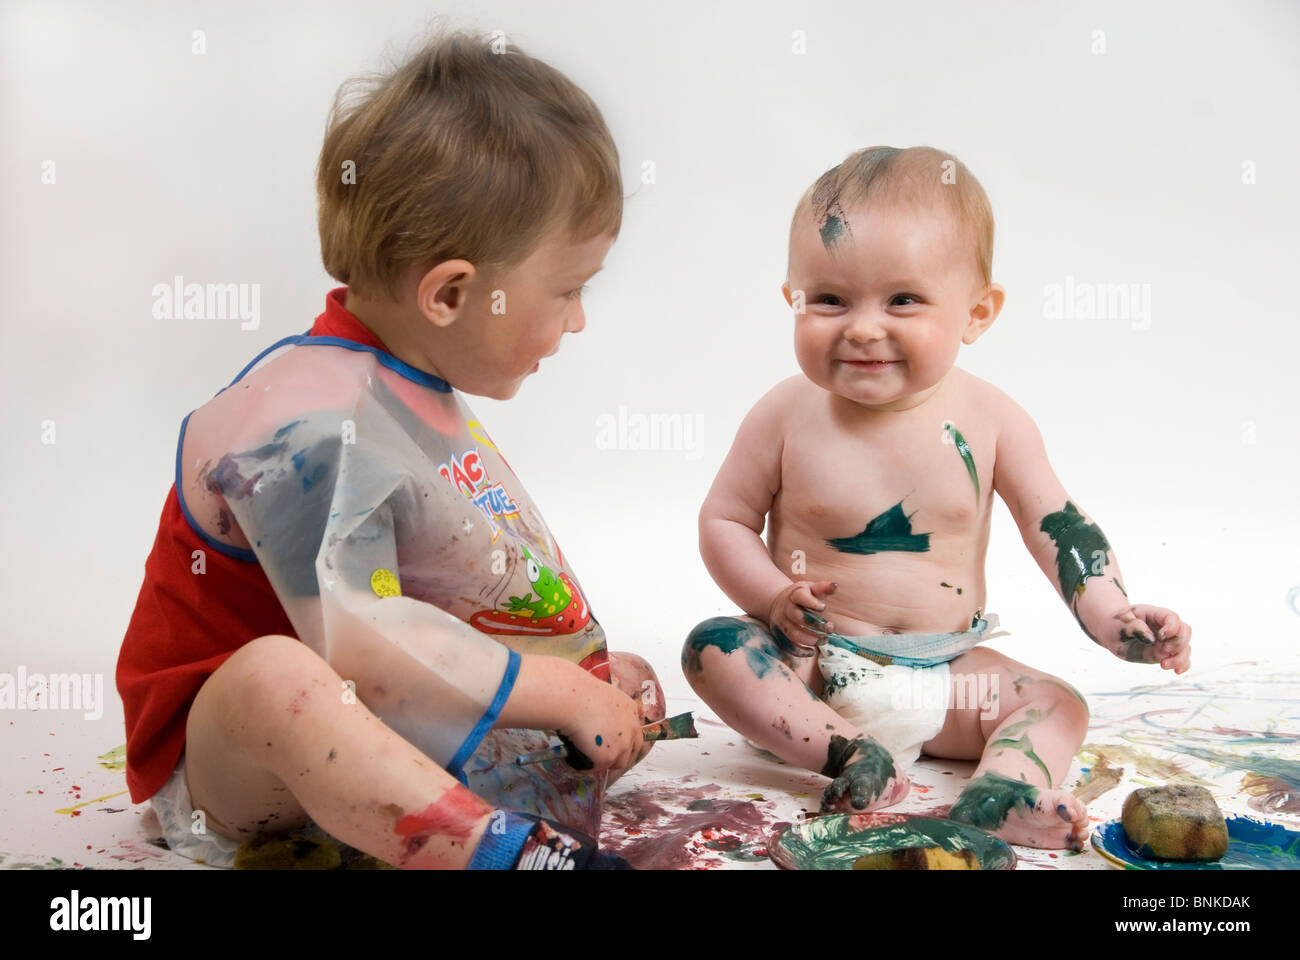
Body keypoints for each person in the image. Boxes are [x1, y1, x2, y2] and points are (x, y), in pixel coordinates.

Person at [117, 28, 663, 871]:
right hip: (230, 764)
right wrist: (548, 691)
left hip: (372, 723)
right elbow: (356, 641)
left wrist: (584, 674)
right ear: (450, 293)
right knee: (277, 677)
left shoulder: (413, 380)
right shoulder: (308, 421)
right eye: (568, 289)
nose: (578, 318)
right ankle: (493, 854)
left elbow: (465, 575)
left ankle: (460, 795)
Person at [681, 145, 1192, 850]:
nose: (862, 327)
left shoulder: (993, 420)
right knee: (717, 649)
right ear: (792, 299)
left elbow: (1060, 530)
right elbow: (725, 519)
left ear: (976, 313)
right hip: (812, 673)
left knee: (1058, 704)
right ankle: (850, 755)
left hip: (951, 678)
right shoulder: (784, 414)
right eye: (829, 298)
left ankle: (1000, 789)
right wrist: (772, 599)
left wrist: (1114, 616)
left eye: (902, 300)